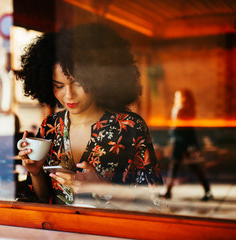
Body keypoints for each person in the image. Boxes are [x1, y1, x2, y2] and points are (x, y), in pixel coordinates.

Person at [15, 23, 163, 205]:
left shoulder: (129, 127)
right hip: (61, 231)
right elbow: (44, 199)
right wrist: (36, 173)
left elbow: (154, 200)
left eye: (78, 84)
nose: (68, 95)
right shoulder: (50, 126)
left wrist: (100, 186)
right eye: (58, 86)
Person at [161, 89, 213, 201]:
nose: (176, 98)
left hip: (181, 141)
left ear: (183, 97)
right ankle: (207, 190)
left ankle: (169, 192)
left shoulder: (182, 109)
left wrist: (173, 135)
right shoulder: (187, 108)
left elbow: (180, 127)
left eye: (178, 96)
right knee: (186, 166)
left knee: (183, 166)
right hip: (185, 141)